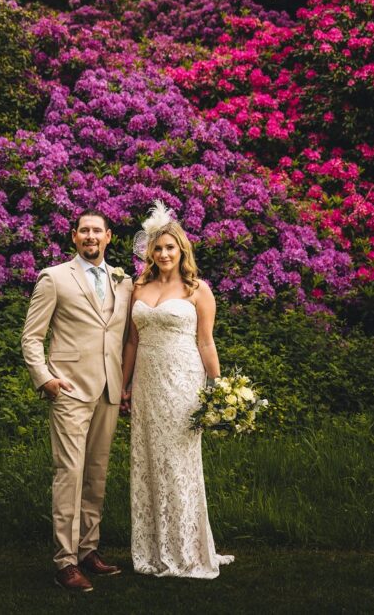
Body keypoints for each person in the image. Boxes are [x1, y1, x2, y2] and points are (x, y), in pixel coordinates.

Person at [120, 201, 235, 578]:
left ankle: (187, 551)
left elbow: (206, 343)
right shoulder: (138, 288)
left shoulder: (197, 290)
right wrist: (124, 385)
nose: (164, 253)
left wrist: (216, 389)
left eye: (171, 247)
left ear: (181, 250)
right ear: (149, 252)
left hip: (183, 382)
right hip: (147, 385)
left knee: (180, 465)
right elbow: (132, 344)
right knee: (149, 463)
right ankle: (153, 549)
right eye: (158, 247)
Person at [21, 209, 133, 593]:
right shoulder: (54, 278)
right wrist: (45, 379)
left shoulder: (124, 281)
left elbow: (124, 337)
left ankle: (88, 550)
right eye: (83, 230)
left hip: (109, 390)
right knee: (69, 474)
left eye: (97, 231)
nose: (90, 236)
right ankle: (65, 562)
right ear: (74, 237)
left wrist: (125, 383)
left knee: (96, 475)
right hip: (68, 390)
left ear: (108, 237)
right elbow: (31, 337)